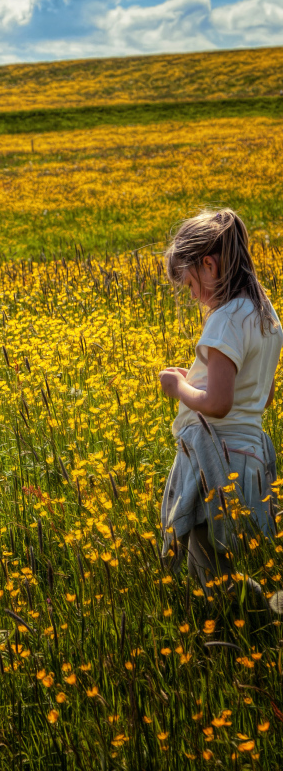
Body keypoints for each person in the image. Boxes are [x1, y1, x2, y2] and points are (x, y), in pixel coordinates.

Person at [159, 208, 283, 609]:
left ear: (209, 265)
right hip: (250, 461)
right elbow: (260, 397)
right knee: (224, 569)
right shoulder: (265, 316)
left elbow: (217, 403)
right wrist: (201, 383)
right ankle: (258, 619)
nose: (193, 295)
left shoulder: (225, 319)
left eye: (191, 283)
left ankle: (259, 622)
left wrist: (179, 387)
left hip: (218, 465)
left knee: (211, 579)